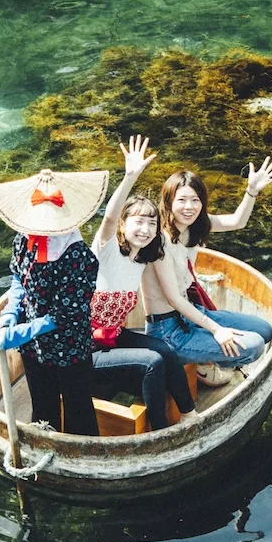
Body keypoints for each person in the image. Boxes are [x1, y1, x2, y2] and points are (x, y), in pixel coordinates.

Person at [0, 167, 110, 435]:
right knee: (42, 407)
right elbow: (18, 279)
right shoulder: (23, 239)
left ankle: (83, 457)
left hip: (69, 345)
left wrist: (20, 333)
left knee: (78, 410)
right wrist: (10, 315)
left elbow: (64, 315)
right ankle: (44, 448)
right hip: (33, 345)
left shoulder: (78, 256)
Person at [88, 136, 193, 430]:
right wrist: (130, 176)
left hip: (113, 337)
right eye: (138, 221)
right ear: (123, 225)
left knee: (164, 350)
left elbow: (181, 231)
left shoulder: (141, 259)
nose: (145, 229)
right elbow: (109, 217)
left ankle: (190, 414)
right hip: (86, 348)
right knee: (151, 362)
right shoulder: (107, 250)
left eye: (151, 223)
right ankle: (159, 433)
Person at [156, 162, 272, 384]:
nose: (189, 207)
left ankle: (205, 357)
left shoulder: (194, 226)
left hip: (191, 312)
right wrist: (217, 330)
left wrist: (251, 191)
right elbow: (173, 298)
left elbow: (237, 221)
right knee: (254, 346)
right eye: (181, 200)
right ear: (168, 202)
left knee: (264, 330)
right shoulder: (158, 239)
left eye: (195, 200)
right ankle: (205, 360)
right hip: (168, 328)